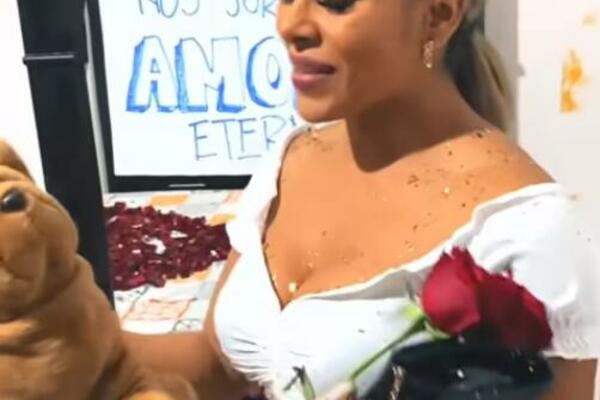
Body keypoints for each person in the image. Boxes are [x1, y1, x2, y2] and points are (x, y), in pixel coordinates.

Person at [124, 0, 600, 398]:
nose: (291, 25)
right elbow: (219, 362)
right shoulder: (291, 158)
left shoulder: (531, 229)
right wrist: (85, 333)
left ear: (438, 14)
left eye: (335, 2)